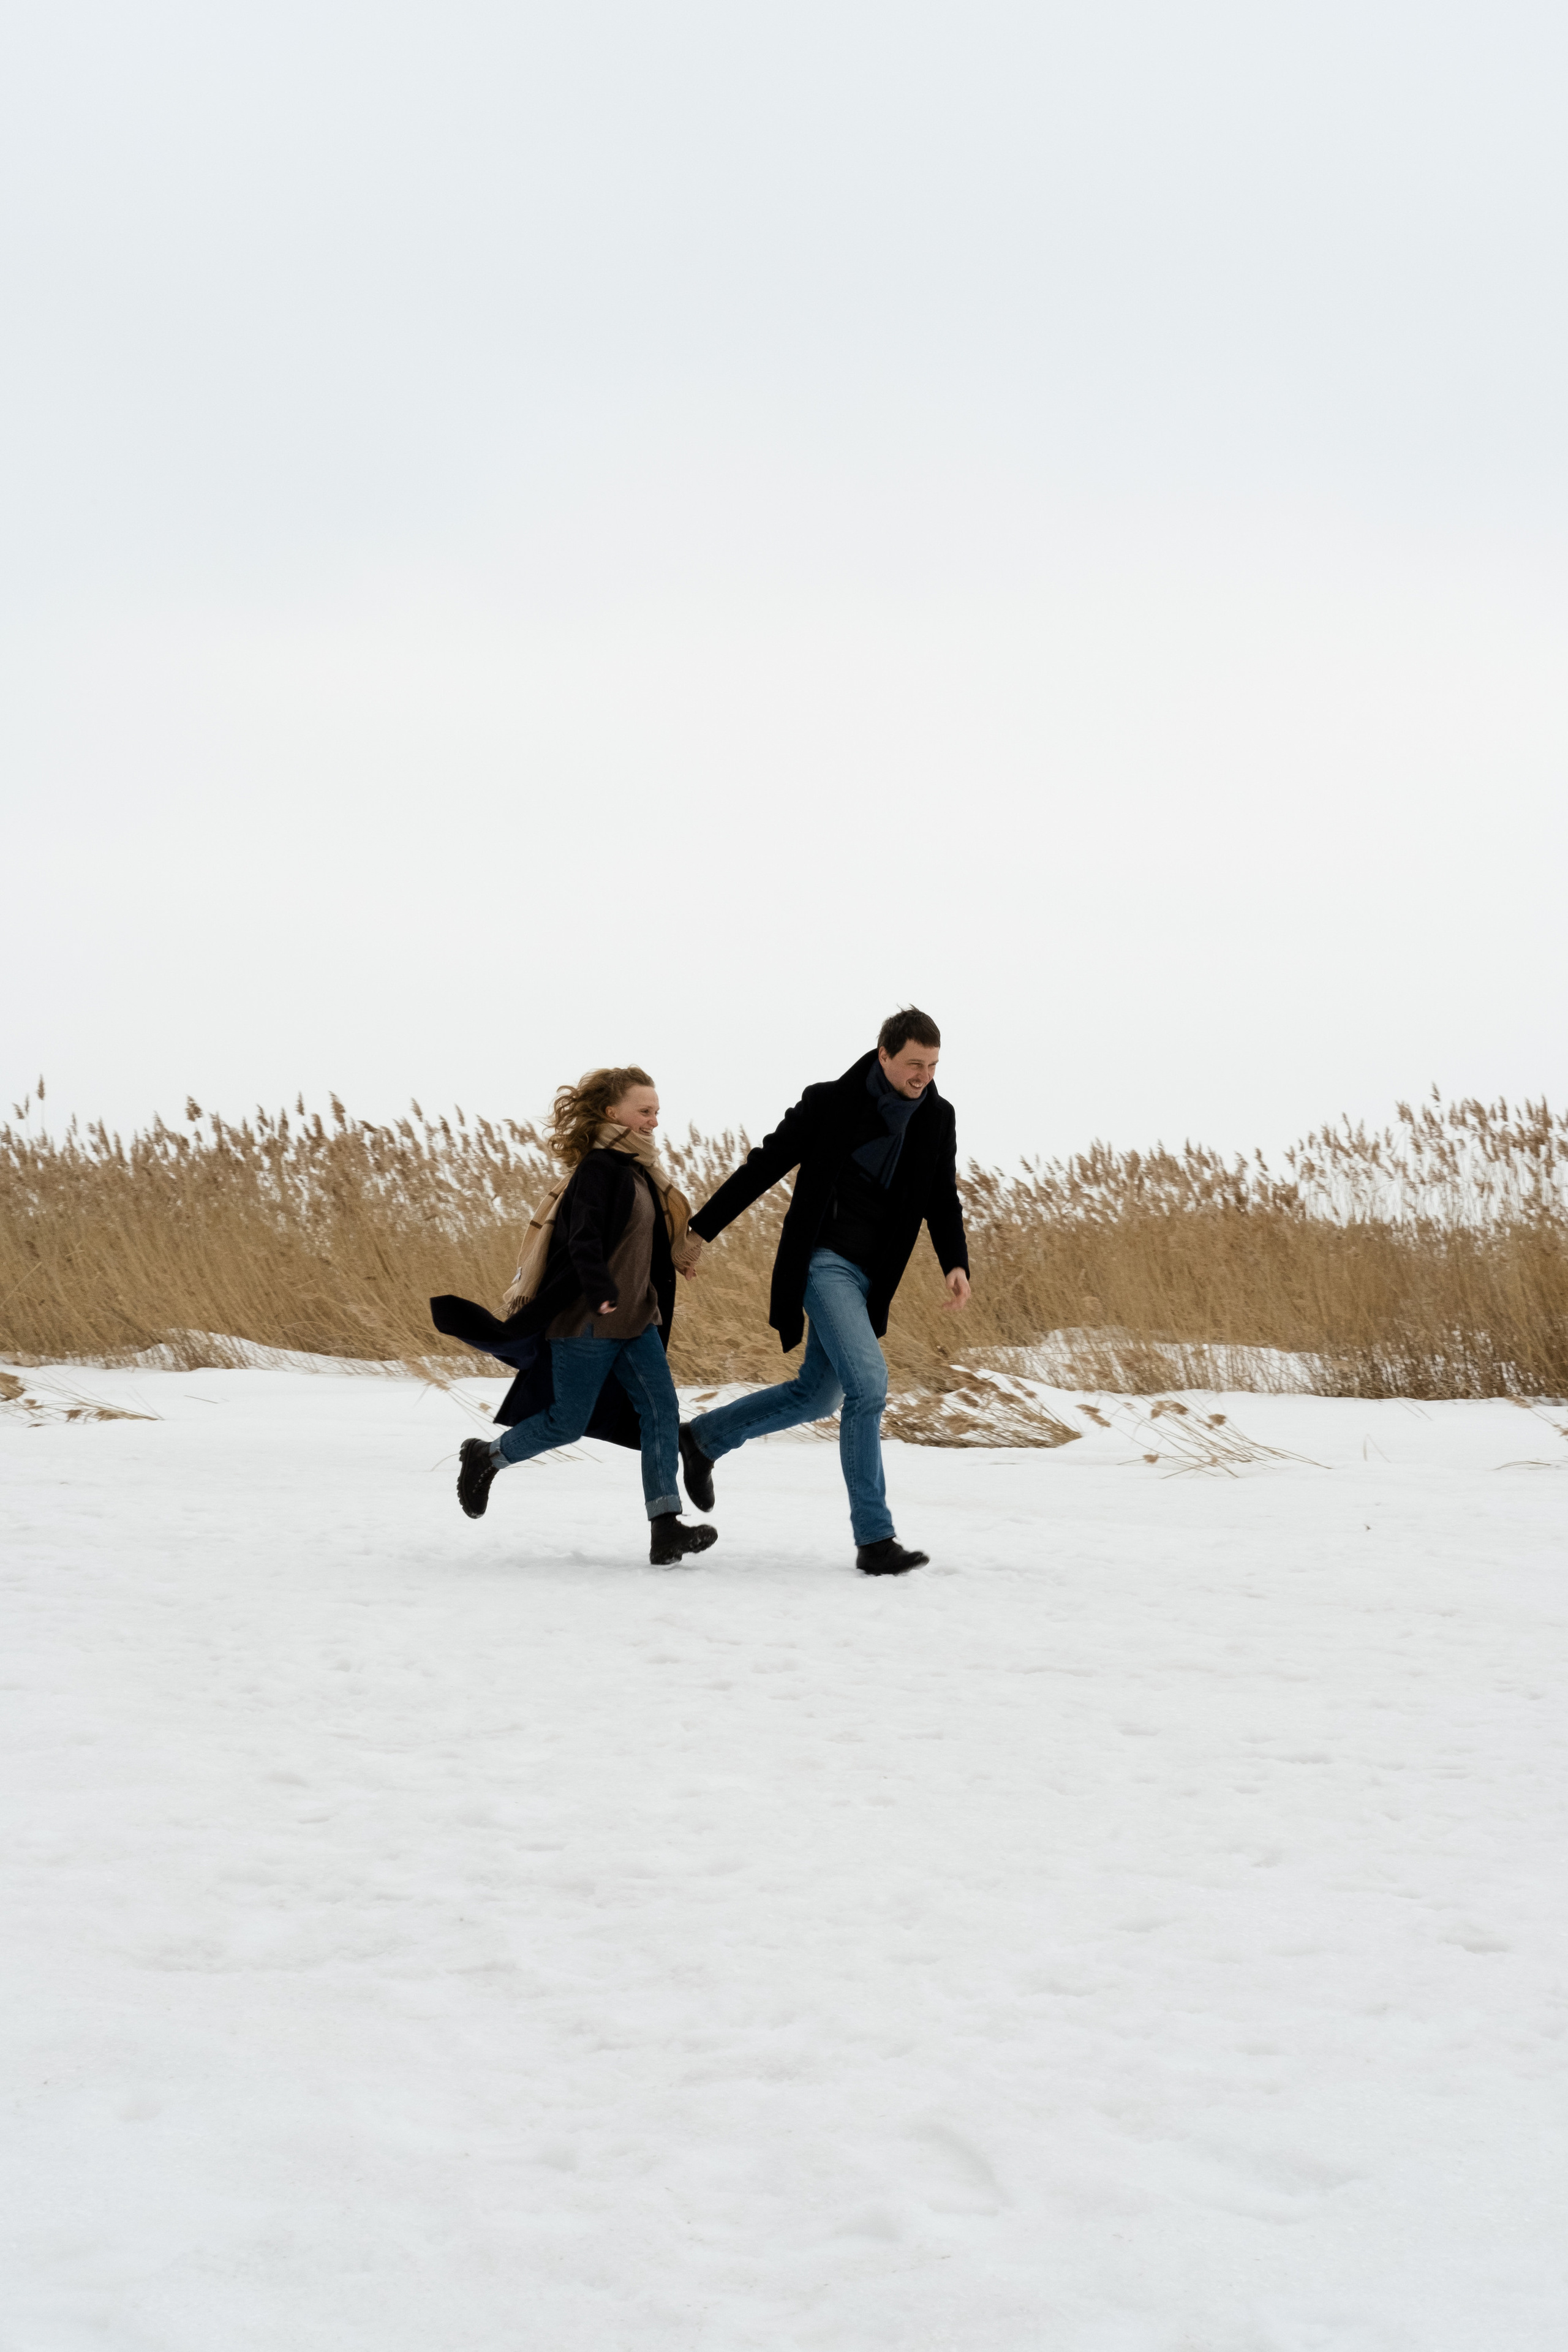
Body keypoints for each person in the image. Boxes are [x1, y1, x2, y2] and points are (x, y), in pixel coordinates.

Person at [677, 1008, 970, 1575]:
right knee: (868, 1386)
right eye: (914, 1064)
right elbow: (764, 1166)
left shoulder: (937, 1117)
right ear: (883, 1054)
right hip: (822, 1264)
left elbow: (942, 1196)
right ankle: (875, 1539)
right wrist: (700, 1231)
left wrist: (955, 1262)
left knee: (818, 1396)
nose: (924, 1076)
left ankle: (703, 1439)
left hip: (869, 1279)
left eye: (933, 1066)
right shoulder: (829, 1103)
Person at [429, 1067, 717, 1567]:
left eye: (656, 1112)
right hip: (589, 1318)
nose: (653, 1121)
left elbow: (641, 1242)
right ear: (613, 1113)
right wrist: (600, 1286)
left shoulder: (643, 1172)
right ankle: (485, 1456)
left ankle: (665, 1527)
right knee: (566, 1423)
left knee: (661, 1413)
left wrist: (677, 1261)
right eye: (644, 1111)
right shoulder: (600, 1168)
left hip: (637, 1319)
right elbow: (582, 1237)